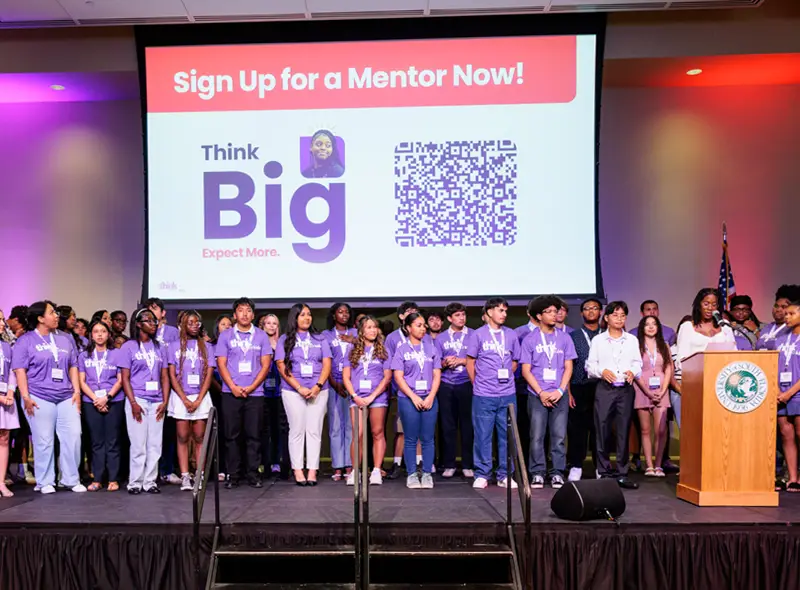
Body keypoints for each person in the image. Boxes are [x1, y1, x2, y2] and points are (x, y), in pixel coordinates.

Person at [12, 301, 85, 494]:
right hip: (38, 396)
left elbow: (73, 366)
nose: (56, 316)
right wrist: (25, 396)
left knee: (74, 436)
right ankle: (45, 481)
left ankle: (70, 479)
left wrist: (77, 392)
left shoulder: (66, 338)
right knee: (43, 440)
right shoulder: (25, 340)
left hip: (66, 396)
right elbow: (20, 370)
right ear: (40, 318)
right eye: (52, 313)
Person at [521, 296, 577, 490]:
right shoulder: (530, 339)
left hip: (559, 395)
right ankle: (537, 472)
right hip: (537, 395)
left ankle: (557, 473)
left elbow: (568, 367)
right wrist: (541, 392)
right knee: (536, 435)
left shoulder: (565, 338)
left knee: (559, 436)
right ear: (539, 315)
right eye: (550, 312)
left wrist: (561, 390)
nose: (555, 314)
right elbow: (525, 370)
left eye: (556, 311)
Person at [216, 298, 272, 489]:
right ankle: (233, 474)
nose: (245, 314)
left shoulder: (262, 336)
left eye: (248, 311)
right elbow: (221, 364)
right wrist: (232, 386)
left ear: (253, 315)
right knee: (231, 436)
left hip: (255, 394)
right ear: (234, 315)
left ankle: (253, 473)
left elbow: (266, 365)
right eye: (241, 311)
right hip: (230, 393)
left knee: (254, 435)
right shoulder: (225, 336)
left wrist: (252, 387)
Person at [586, 301, 641, 489]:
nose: (619, 318)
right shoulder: (598, 340)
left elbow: (637, 363)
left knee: (624, 430)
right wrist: (602, 371)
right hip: (605, 388)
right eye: (615, 315)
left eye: (623, 315)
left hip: (625, 388)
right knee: (601, 429)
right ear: (607, 318)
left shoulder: (632, 340)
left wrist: (633, 371)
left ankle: (622, 472)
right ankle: (603, 472)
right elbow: (589, 365)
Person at [467, 297, 520, 490]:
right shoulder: (478, 335)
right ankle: (482, 473)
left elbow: (515, 361)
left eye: (506, 311)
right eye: (500, 310)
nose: (504, 314)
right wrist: (478, 383)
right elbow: (470, 362)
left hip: (507, 394)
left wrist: (504, 379)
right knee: (483, 435)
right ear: (489, 312)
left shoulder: (511, 335)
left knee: (507, 436)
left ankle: (505, 474)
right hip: (483, 394)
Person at [275, 303, 331, 486]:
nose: (307, 318)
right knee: (297, 430)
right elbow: (281, 366)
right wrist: (299, 387)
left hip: (319, 390)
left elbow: (327, 364)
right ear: (294, 318)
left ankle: (312, 471)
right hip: (293, 391)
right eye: (302, 315)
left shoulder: (320, 338)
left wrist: (317, 386)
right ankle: (298, 470)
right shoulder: (285, 339)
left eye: (309, 314)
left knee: (314, 431)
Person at [118, 308, 170, 494]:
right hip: (137, 399)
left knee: (155, 444)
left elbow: (165, 377)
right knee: (138, 443)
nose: (154, 324)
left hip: (157, 400)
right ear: (138, 324)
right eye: (149, 321)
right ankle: (135, 482)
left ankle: (150, 482)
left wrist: (165, 401)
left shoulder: (160, 347)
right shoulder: (129, 347)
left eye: (155, 321)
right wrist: (132, 402)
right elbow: (125, 378)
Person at [168, 311, 216, 491]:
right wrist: (184, 399)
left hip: (201, 396)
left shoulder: (207, 346)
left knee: (199, 437)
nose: (195, 325)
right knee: (182, 437)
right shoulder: (173, 346)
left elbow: (209, 375)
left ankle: (199, 475)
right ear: (182, 325)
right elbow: (172, 375)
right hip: (181, 397)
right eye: (191, 322)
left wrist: (198, 399)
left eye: (197, 322)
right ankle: (185, 476)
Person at [392, 312, 441, 489]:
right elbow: (398, 376)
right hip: (408, 399)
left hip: (429, 398)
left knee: (428, 438)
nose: (423, 328)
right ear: (408, 328)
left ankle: (427, 473)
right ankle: (412, 474)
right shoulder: (401, 349)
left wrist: (430, 397)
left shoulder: (431, 348)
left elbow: (437, 375)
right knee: (411, 438)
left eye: (423, 325)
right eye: (419, 325)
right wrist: (413, 397)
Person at [384, 301, 431, 479]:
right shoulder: (393, 338)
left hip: (424, 393)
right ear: (402, 317)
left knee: (420, 432)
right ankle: (397, 464)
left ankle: (420, 464)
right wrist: (397, 388)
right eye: (411, 313)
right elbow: (390, 365)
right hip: (402, 392)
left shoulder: (425, 338)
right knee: (402, 430)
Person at [342, 315, 391, 486]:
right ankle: (356, 471)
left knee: (377, 432)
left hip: (377, 397)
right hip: (357, 397)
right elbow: (346, 377)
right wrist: (355, 396)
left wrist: (372, 396)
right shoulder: (351, 350)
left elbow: (387, 377)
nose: (372, 330)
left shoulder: (384, 350)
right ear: (361, 331)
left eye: (374, 327)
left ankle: (376, 470)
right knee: (358, 434)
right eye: (368, 327)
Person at [78, 319, 124, 492]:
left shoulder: (117, 354)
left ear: (109, 334)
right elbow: (81, 381)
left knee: (112, 441)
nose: (99, 334)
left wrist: (107, 397)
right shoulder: (84, 355)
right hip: (91, 402)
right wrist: (96, 399)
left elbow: (120, 380)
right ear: (91, 334)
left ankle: (113, 478)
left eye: (103, 331)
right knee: (96, 442)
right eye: (96, 331)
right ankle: (97, 478)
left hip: (114, 400)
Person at [435, 302, 474, 479]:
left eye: (463, 315)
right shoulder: (441, 338)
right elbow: (435, 363)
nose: (462, 318)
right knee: (447, 426)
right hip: (446, 384)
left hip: (467, 383)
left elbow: (479, 359)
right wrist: (445, 363)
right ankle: (449, 464)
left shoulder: (473, 335)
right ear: (450, 318)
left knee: (468, 426)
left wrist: (462, 361)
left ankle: (468, 464)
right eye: (457, 315)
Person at [566, 298, 602, 481]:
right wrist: (569, 392)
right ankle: (576, 466)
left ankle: (600, 467)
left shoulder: (606, 335)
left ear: (601, 312)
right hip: (579, 386)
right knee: (578, 430)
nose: (591, 311)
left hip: (603, 387)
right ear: (581, 313)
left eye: (595, 308)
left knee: (600, 429)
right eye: (587, 309)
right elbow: (568, 365)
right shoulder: (574, 336)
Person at [633, 316, 673, 477]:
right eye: (647, 324)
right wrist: (648, 392)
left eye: (654, 324)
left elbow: (669, 367)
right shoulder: (636, 346)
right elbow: (635, 370)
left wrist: (663, 391)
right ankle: (649, 465)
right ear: (642, 327)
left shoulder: (664, 345)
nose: (650, 327)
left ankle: (658, 465)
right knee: (645, 430)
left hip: (661, 389)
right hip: (642, 389)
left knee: (661, 430)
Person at [323, 302, 357, 482]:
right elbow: (324, 361)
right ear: (334, 315)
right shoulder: (326, 335)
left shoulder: (356, 334)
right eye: (340, 312)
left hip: (353, 384)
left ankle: (350, 464)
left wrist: (354, 341)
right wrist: (334, 383)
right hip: (333, 384)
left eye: (346, 312)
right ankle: (337, 466)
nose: (344, 315)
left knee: (351, 426)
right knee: (335, 426)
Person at [258, 313, 289, 478]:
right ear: (263, 326)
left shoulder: (283, 343)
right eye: (268, 323)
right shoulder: (258, 342)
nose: (271, 326)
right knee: (264, 429)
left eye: (274, 323)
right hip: (262, 391)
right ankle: (265, 463)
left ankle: (280, 462)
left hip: (281, 391)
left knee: (281, 428)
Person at [776, 301, 800, 492]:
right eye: (786, 314)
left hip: (797, 392)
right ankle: (792, 478)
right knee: (786, 434)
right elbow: (770, 363)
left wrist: (790, 393)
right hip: (780, 393)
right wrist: (778, 391)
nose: (787, 317)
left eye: (791, 314)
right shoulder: (781, 337)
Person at [513, 299, 540, 467]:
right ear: (530, 313)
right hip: (522, 386)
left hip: (544, 387)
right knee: (523, 427)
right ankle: (523, 467)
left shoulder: (553, 333)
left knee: (541, 430)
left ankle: (539, 466)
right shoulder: (518, 333)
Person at [676, 288, 737, 362]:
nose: (710, 308)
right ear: (699, 305)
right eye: (706, 304)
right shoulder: (687, 327)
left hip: (722, 371)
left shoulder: (725, 325)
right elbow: (681, 358)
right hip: (695, 372)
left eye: (714, 305)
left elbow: (733, 353)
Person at [0, 310, 19, 497]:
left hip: (6, 398)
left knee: (4, 438)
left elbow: (13, 372)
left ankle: (1, 482)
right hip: (1, 398)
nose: (2, 323)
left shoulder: (7, 346)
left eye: (2, 319)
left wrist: (11, 392)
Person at [668, 315, 693, 430]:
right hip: (678, 388)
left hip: (697, 386)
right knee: (684, 428)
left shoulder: (699, 348)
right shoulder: (672, 349)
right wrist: (680, 389)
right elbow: (669, 373)